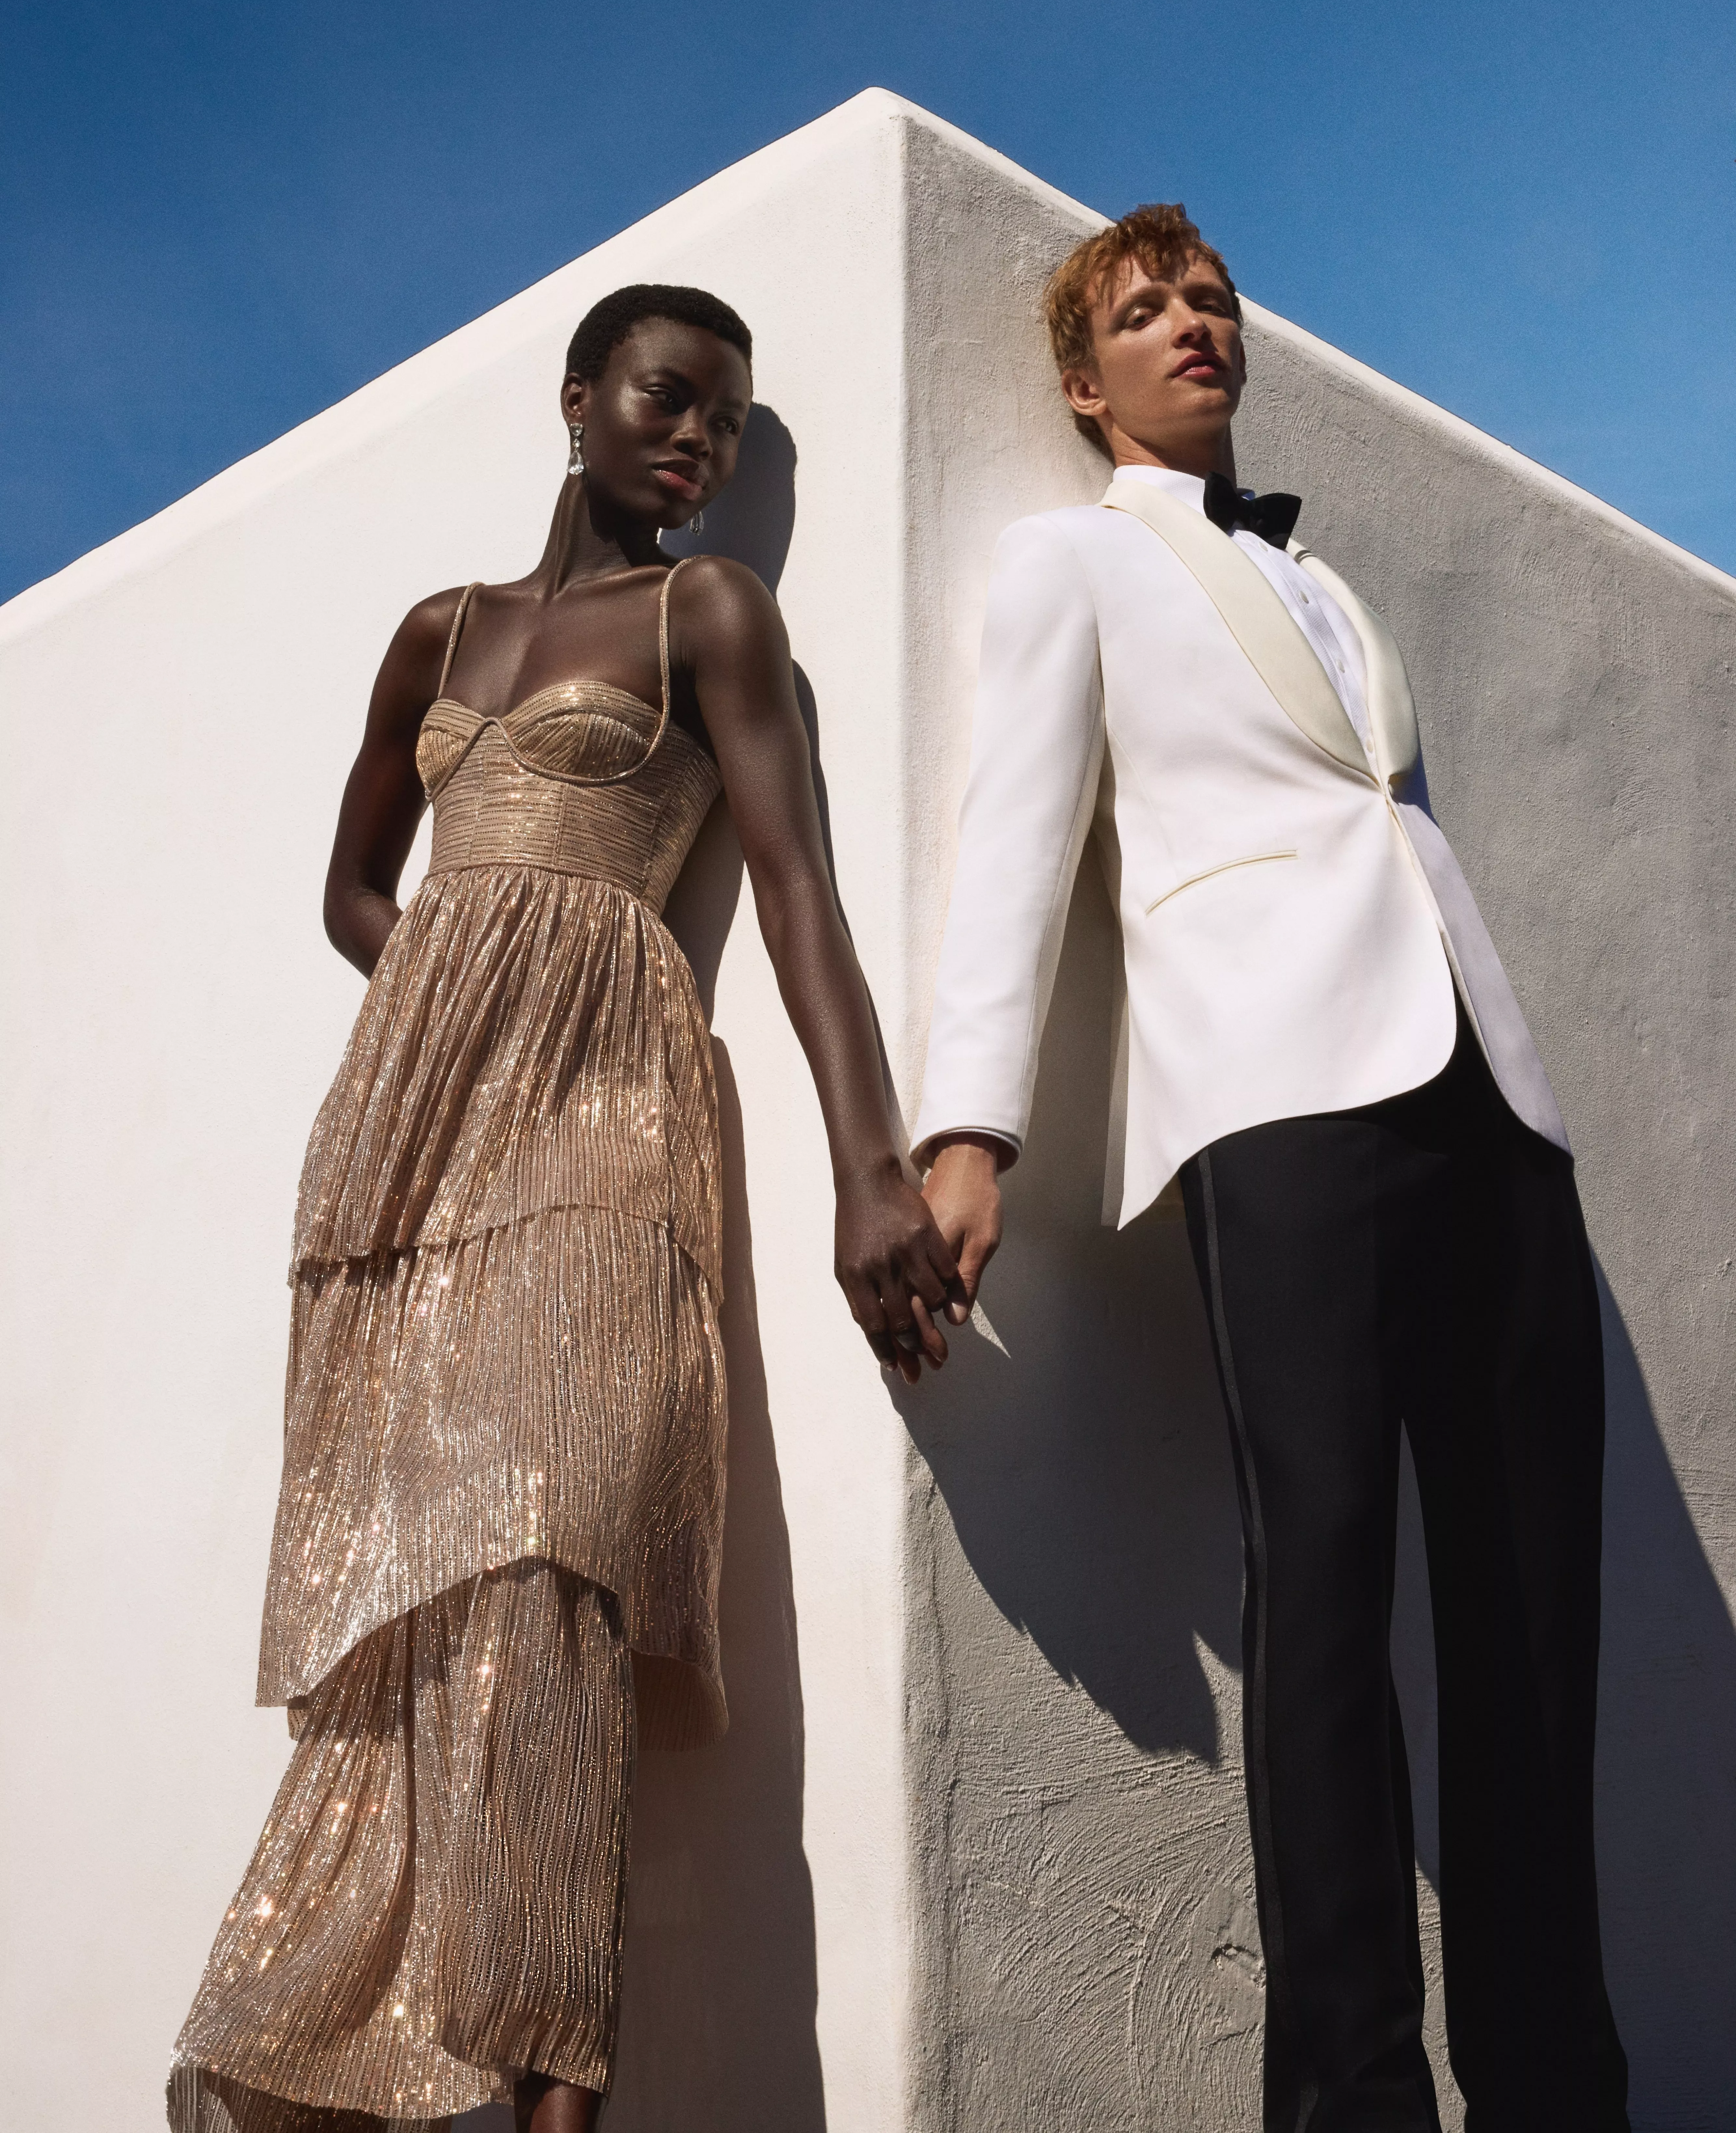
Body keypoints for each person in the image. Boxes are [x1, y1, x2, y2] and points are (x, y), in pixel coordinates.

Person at [169, 283, 957, 2133]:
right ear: (579, 400)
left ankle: (535, 2095)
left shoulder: (710, 615)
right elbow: (359, 890)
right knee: (409, 1602)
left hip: (608, 1132)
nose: (694, 441)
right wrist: (452, 990)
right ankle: (322, 2058)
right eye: (667, 400)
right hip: (403, 1159)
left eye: (726, 424)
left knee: (555, 1578)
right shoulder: (440, 634)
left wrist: (870, 1168)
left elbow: (795, 892)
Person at [913, 208, 1630, 2133]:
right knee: (1320, 1589)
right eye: (1140, 315)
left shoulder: (1321, 581)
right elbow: (1014, 836)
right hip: (1277, 1100)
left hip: (1484, 1097)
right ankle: (1350, 2099)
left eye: (1207, 300)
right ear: (1084, 383)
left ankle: (1559, 2087)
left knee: (1532, 1618)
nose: (1187, 328)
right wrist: (967, 1128)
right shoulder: (1069, 560)